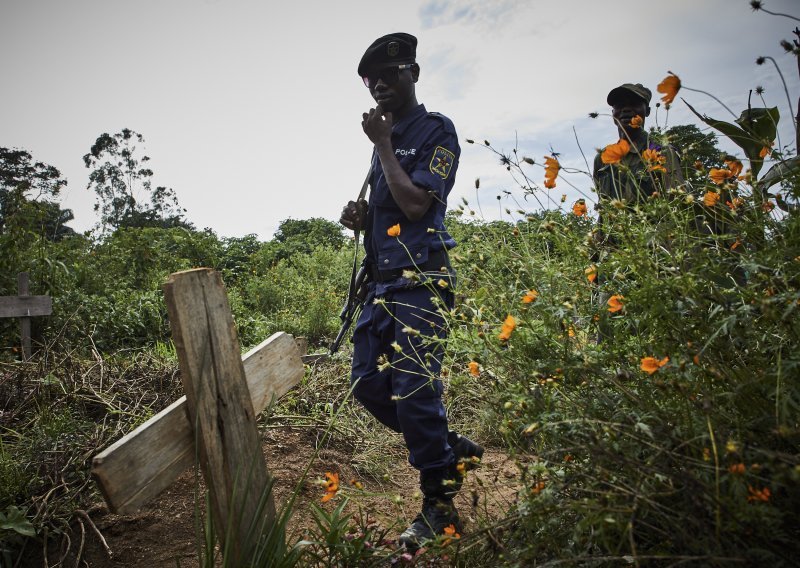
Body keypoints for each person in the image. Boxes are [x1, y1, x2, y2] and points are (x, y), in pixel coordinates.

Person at [339, 32, 483, 549]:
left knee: (415, 393)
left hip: (422, 281)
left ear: (413, 74)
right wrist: (359, 217)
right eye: (370, 79)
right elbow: (390, 208)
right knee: (367, 386)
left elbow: (419, 204)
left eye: (389, 74)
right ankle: (449, 448)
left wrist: (382, 144)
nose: (378, 84)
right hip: (380, 286)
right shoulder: (386, 142)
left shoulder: (434, 131)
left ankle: (439, 508)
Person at [593, 82, 684, 205]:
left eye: (634, 104)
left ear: (647, 111)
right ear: (612, 113)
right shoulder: (603, 158)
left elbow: (677, 203)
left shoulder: (661, 152)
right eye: (619, 105)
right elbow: (604, 208)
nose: (625, 109)